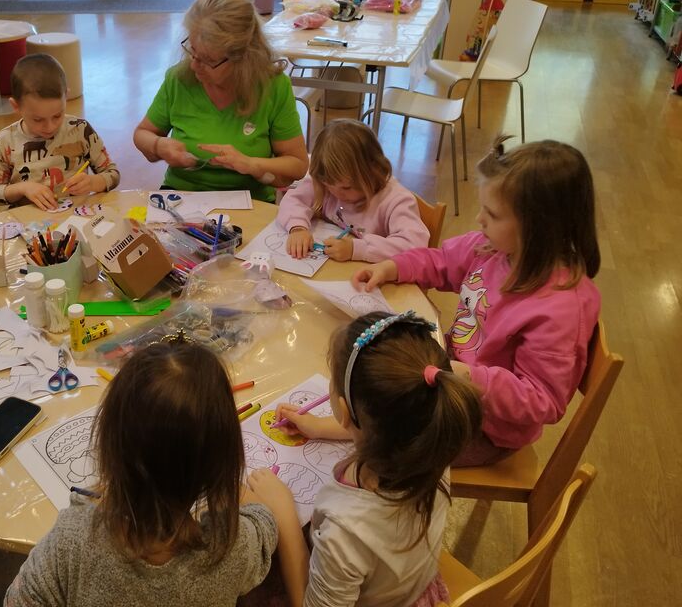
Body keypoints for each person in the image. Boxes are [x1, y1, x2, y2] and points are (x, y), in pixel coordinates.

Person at [352, 137, 601, 466]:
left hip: (486, 427)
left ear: (539, 227)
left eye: (492, 214)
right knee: (371, 392)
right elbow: (441, 261)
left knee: (382, 446)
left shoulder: (560, 308)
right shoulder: (493, 247)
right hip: (450, 377)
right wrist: (393, 267)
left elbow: (542, 401)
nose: (479, 219)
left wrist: (471, 378)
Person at [4, 338, 277, 607]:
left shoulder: (73, 539)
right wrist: (238, 492)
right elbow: (265, 526)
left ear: (110, 448)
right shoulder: (231, 549)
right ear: (222, 462)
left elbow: (19, 600)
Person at [249, 312, 483, 607]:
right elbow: (391, 426)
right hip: (405, 583)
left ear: (345, 411)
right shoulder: (431, 439)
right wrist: (319, 427)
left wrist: (285, 518)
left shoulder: (346, 532)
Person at [133, 0, 309, 203]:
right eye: (192, 51)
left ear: (243, 58)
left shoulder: (272, 86)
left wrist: (251, 164)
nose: (194, 65)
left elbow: (297, 165)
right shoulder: (179, 79)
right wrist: (158, 146)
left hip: (251, 201)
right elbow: (142, 133)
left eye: (208, 60)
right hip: (181, 197)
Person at [278, 119, 429, 262]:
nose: (337, 194)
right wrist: (297, 228)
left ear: (374, 171)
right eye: (328, 185)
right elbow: (294, 200)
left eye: (346, 187)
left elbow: (415, 245)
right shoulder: (326, 182)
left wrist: (357, 250)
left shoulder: (396, 200)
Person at [0, 53, 120, 211]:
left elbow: (113, 173)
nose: (49, 127)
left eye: (57, 115)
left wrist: (93, 182)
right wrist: (23, 188)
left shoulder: (80, 129)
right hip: (29, 221)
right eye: (37, 119)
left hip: (76, 217)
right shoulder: (3, 141)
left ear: (66, 97)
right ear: (16, 106)